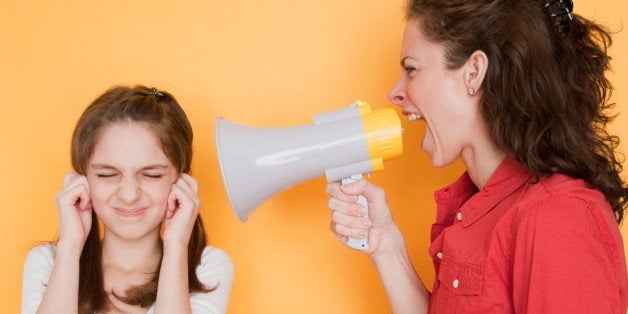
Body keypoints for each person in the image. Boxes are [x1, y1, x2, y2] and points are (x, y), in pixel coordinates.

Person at [326, 0, 627, 313]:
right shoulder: (479, 207)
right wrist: (387, 248)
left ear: (473, 73)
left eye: (412, 70)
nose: (395, 94)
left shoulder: (558, 215)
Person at [22, 85, 234, 313]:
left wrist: (176, 246)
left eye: (152, 175)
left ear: (181, 182)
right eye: (107, 175)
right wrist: (70, 246)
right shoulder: (49, 261)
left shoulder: (207, 268)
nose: (129, 195)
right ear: (80, 182)